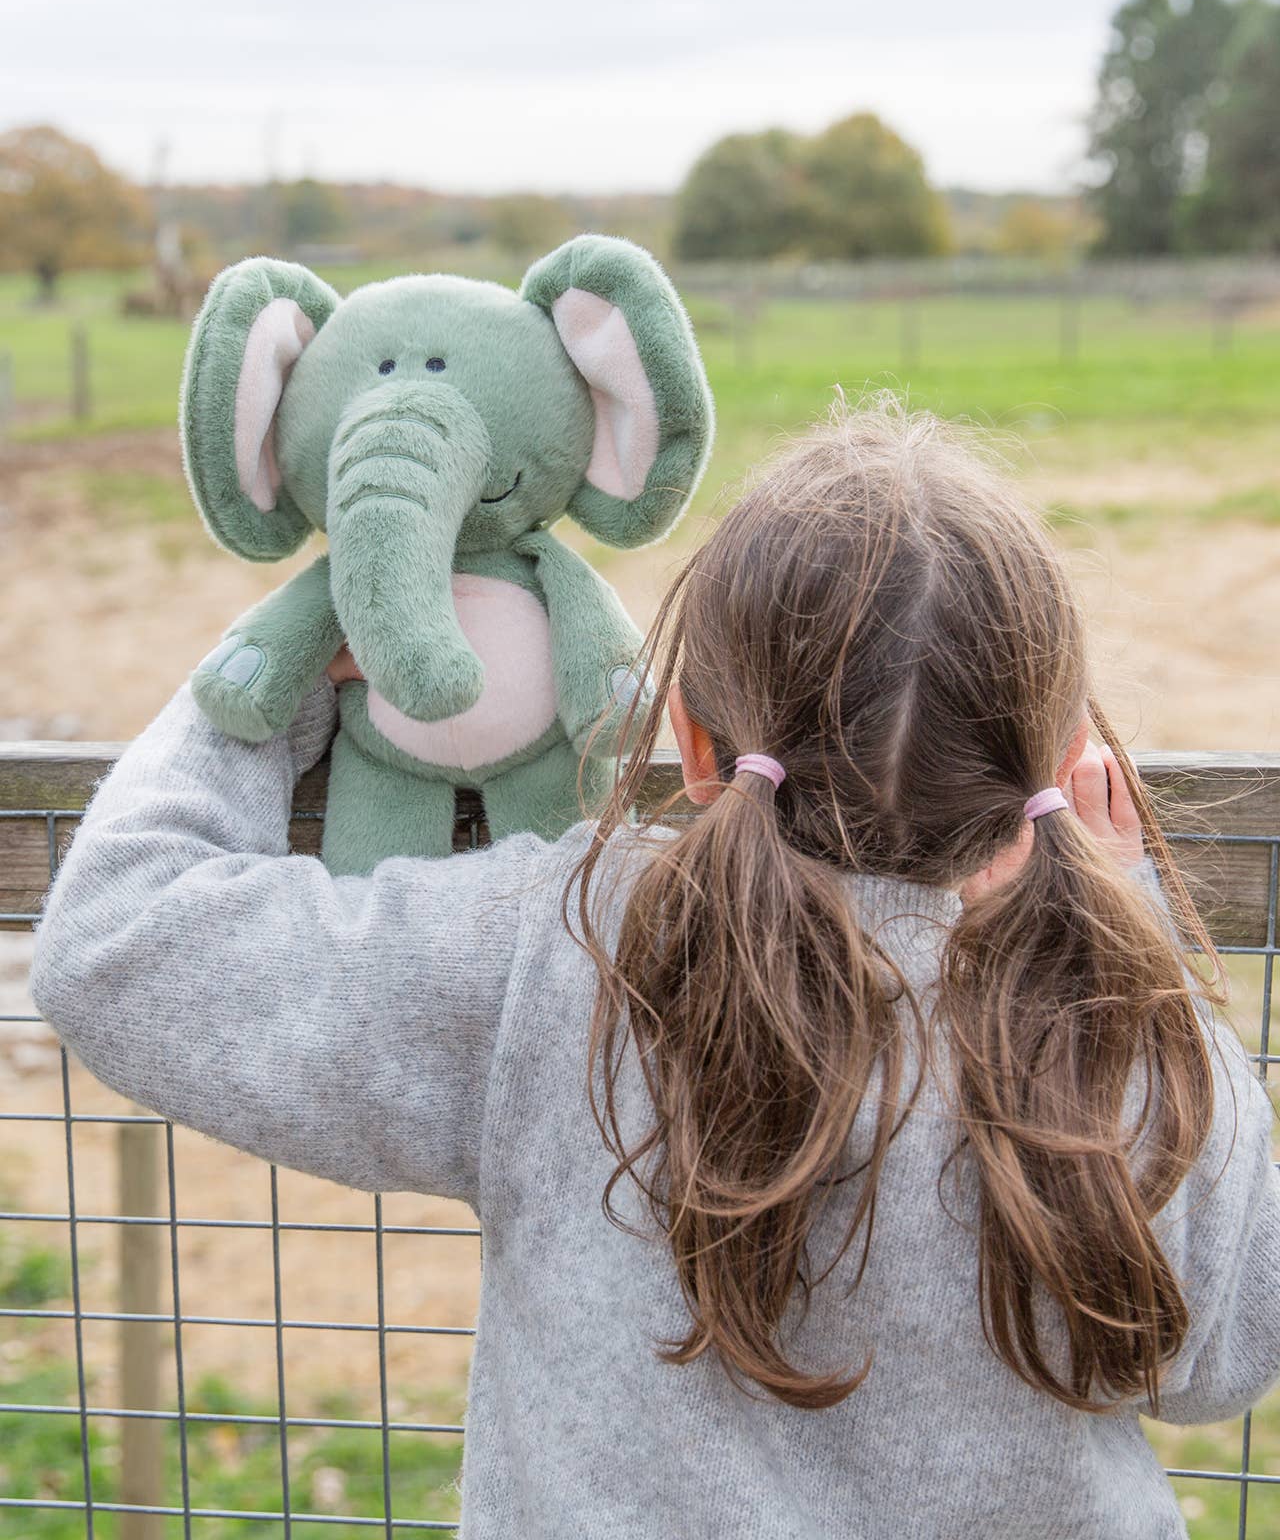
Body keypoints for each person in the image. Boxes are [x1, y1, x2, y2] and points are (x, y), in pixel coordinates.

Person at [31, 401, 1280, 1538]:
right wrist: (1135, 946)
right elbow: (1220, 1361)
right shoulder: (1116, 1025)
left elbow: (115, 941)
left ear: (689, 737)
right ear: (1059, 758)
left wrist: (272, 674)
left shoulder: (567, 948)